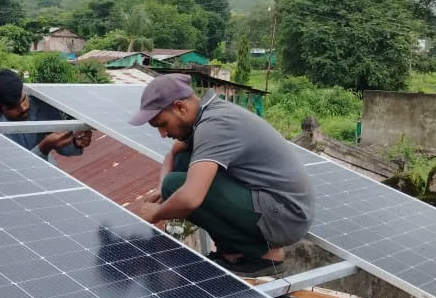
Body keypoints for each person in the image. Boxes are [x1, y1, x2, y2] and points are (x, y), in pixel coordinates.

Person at [129, 74, 314, 277]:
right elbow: (173, 154)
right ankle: (231, 251)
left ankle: (261, 256)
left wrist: (156, 213)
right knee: (182, 163)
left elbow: (190, 198)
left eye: (162, 124)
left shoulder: (214, 126)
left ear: (180, 107)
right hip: (275, 206)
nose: (163, 133)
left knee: (177, 185)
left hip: (285, 216)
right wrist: (160, 188)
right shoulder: (208, 115)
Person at [0, 69, 92, 163]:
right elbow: (9, 170)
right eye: (13, 107)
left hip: (47, 171)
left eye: (24, 99)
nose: (23, 108)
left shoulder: (41, 104)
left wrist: (76, 144)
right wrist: (43, 148)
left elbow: (63, 147)